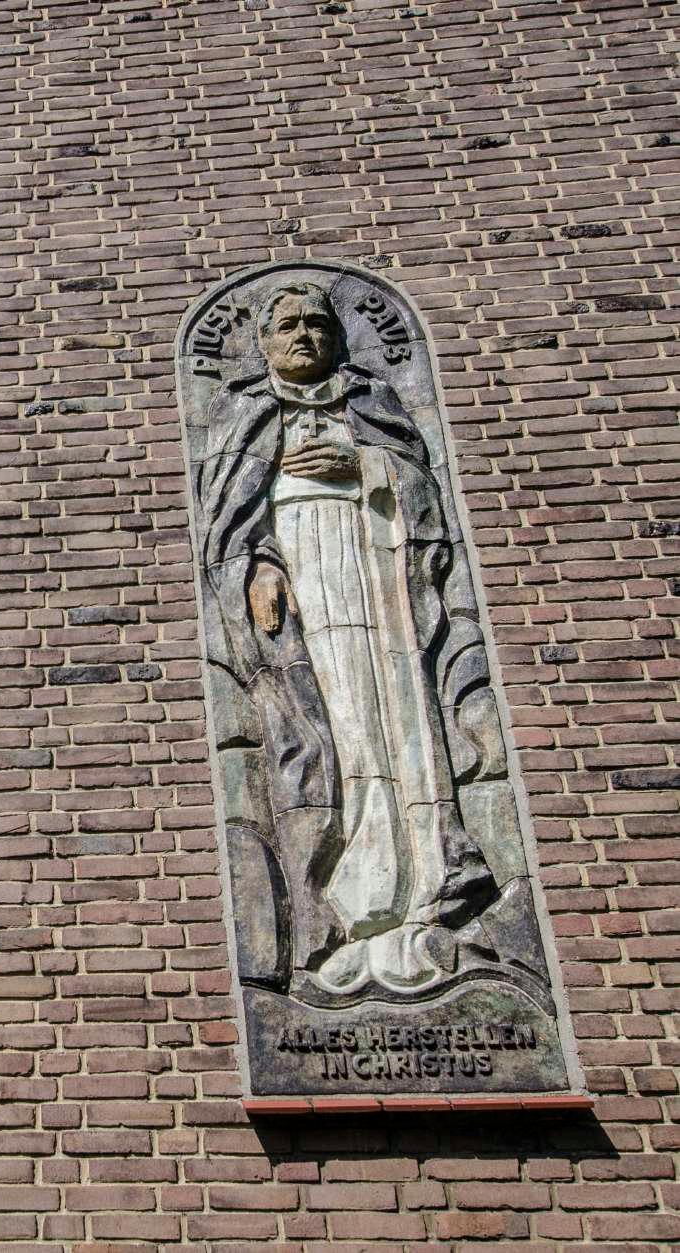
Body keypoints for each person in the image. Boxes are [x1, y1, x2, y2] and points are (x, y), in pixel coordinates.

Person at [199, 281, 495, 994]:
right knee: (335, 730)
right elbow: (229, 520)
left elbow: (422, 493)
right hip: (303, 587)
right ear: (263, 343)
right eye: (288, 326)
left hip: (381, 578)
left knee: (399, 721)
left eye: (318, 323)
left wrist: (365, 465)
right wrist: (257, 567)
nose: (305, 335)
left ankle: (427, 884)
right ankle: (345, 899)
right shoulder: (244, 411)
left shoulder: (372, 399)